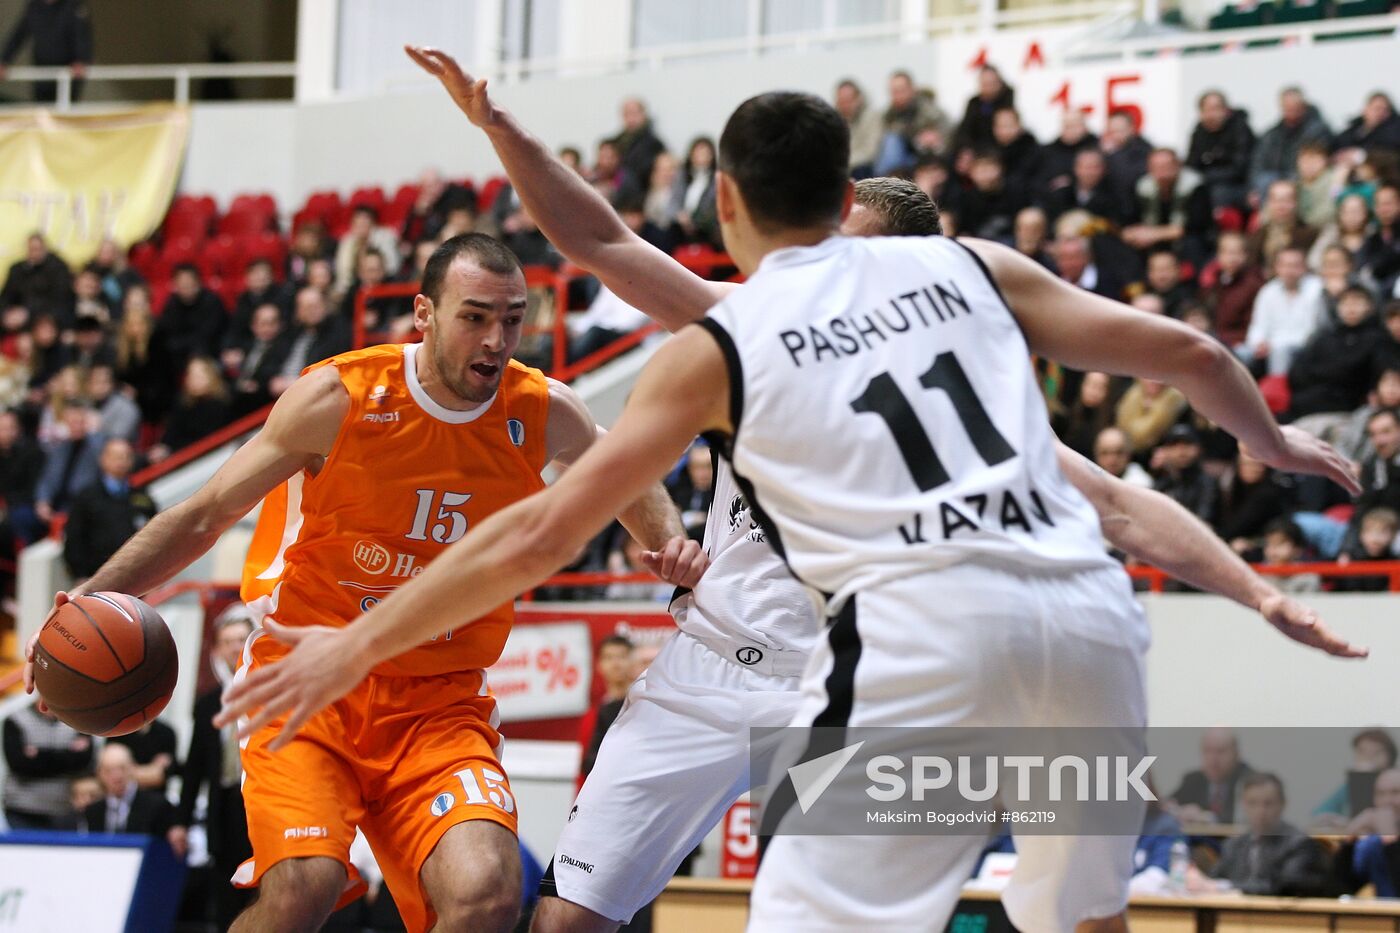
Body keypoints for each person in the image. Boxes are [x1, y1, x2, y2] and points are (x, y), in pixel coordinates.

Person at [228, 53, 1364, 933]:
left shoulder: (743, 331)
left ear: (737, 202)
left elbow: (538, 527)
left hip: (873, 662)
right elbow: (1181, 386)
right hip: (967, 631)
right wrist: (1263, 491)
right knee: (1075, 913)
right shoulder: (962, 283)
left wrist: (350, 645)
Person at [24, 231, 700, 933]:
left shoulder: (541, 409)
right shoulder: (337, 396)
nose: (497, 338)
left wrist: (673, 545)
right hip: (308, 685)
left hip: (440, 703)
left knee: (488, 892)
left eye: (512, 318)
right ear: (424, 313)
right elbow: (204, 514)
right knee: (301, 892)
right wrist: (86, 601)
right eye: (475, 316)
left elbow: (627, 467)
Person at [176, 604, 258, 928]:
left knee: (266, 890)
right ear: (217, 649)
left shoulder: (274, 691)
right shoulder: (209, 702)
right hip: (223, 806)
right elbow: (194, 766)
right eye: (227, 642)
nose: (235, 648)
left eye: (241, 639)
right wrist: (180, 821)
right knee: (225, 893)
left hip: (261, 801)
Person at [1207, 774, 1330, 895]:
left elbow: (1285, 886)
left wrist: (1228, 887)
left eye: (1268, 804)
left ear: (1282, 804)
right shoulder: (1234, 845)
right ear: (1243, 805)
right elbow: (1214, 881)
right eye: (1252, 803)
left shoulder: (1299, 844)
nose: (1260, 811)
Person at [61, 437, 155, 580]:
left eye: (126, 457)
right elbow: (74, 538)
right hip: (96, 577)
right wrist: (80, 574)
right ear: (103, 459)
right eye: (117, 457)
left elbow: (154, 533)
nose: (122, 462)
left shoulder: (142, 497)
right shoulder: (87, 497)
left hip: (136, 577)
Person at [2, 698, 92, 829]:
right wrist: (67, 754)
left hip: (66, 809)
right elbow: (19, 764)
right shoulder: (16, 719)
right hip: (22, 811)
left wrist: (39, 754)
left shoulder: (79, 720)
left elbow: (84, 761)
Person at [1240, 247, 1326, 377]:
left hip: (1301, 346)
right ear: (1277, 268)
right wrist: (1258, 342)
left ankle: (1277, 393)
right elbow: (1258, 325)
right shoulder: (1268, 291)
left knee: (1280, 352)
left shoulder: (1317, 289)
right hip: (1270, 345)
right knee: (1240, 353)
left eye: (1295, 266)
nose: (1289, 271)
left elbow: (1313, 330)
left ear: (1304, 267)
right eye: (1285, 265)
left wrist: (1273, 345)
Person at [82, 744, 182, 852]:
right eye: (109, 770)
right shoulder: (93, 811)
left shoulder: (157, 805)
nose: (117, 776)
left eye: (122, 768)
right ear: (99, 773)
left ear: (133, 767)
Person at [0, 0, 92, 102]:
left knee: (66, 109)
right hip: (41, 70)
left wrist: (81, 60)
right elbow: (18, 36)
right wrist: (4, 61)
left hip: (67, 72)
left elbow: (82, 36)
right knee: (42, 107)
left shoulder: (73, 6)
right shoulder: (34, 6)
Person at [1250, 87, 1332, 199]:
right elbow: (1257, 164)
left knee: (1280, 190)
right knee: (1265, 182)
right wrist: (1253, 188)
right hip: (1273, 181)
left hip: (1301, 179)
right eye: (1287, 106)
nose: (1291, 110)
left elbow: (1316, 162)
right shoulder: (1271, 134)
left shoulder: (1317, 131)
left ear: (1303, 106)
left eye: (1295, 106)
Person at [1313, 729, 1398, 828]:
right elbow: (1321, 812)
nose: (1369, 757)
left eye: (1377, 752)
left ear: (1390, 755)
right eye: (1362, 751)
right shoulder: (1352, 784)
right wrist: (1348, 822)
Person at [1167, 729, 1255, 824]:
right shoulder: (1193, 779)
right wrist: (1178, 811)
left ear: (1236, 754)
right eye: (1207, 751)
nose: (1213, 759)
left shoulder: (1250, 782)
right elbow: (1168, 804)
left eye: (1220, 751)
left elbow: (1246, 819)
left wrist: (1208, 818)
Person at [1186, 90, 1254, 210]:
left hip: (1237, 184)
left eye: (1216, 108)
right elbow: (1192, 163)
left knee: (1219, 192)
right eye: (1207, 109)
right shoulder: (1199, 132)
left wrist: (1208, 175)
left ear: (1226, 110)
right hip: (1207, 182)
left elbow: (1240, 167)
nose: (1212, 114)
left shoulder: (1240, 129)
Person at [1203, 231, 1265, 349]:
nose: (1232, 258)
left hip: (1243, 343)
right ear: (1218, 255)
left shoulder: (1255, 282)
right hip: (1216, 340)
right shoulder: (1214, 281)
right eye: (1227, 252)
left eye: (1237, 253)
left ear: (1245, 255)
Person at [1, 233, 72, 322]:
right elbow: (6, 295)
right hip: (16, 316)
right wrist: (6, 312)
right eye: (31, 249)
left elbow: (59, 299)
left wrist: (26, 311)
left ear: (45, 249)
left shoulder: (58, 269)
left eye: (38, 249)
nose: (35, 253)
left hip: (46, 318)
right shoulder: (17, 269)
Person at [834, 79, 882, 177]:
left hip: (864, 168)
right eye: (841, 101)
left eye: (848, 100)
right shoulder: (833, 121)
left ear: (858, 99)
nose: (845, 105)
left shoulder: (871, 117)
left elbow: (870, 152)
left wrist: (843, 163)